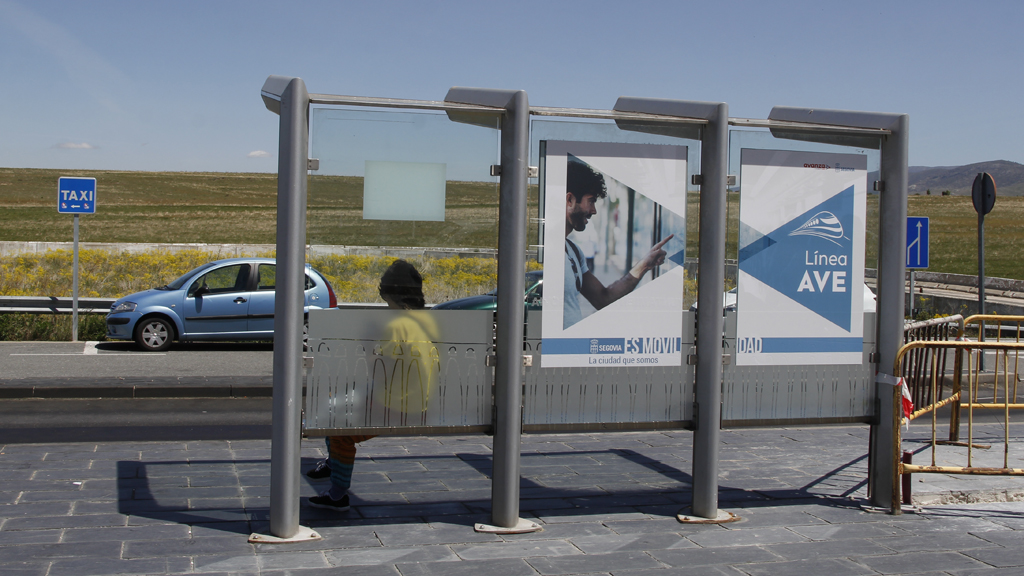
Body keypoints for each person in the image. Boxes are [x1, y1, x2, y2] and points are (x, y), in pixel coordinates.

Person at [307, 259, 437, 512]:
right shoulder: (422, 320)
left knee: (337, 428)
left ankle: (337, 494)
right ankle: (335, 463)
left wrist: (366, 347)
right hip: (417, 398)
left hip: (399, 406)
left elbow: (380, 367)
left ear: (388, 292)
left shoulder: (397, 324)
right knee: (334, 407)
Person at [563, 158, 672, 329]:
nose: (594, 210)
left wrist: (643, 265)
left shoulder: (573, 252)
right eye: (591, 201)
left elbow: (603, 298)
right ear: (570, 200)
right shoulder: (546, 251)